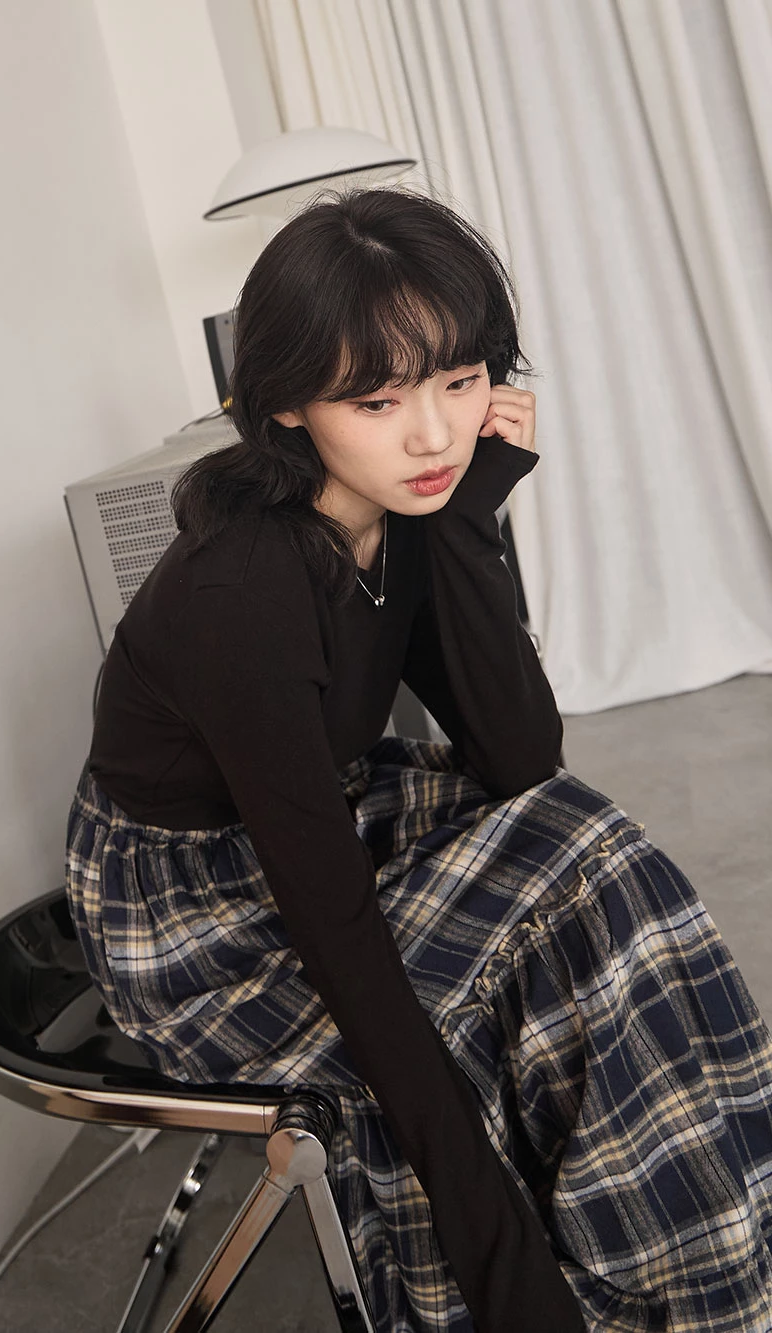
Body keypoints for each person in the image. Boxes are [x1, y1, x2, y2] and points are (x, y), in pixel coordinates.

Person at [65, 188, 772, 1330]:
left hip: (326, 806)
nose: (435, 435)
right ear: (284, 403)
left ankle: (698, 1258)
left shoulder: (405, 507)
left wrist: (470, 517)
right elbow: (338, 935)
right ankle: (596, 1274)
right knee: (504, 955)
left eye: (460, 380)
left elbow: (519, 753)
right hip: (195, 912)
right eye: (377, 400)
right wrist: (498, 1259)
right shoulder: (242, 591)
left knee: (594, 851)